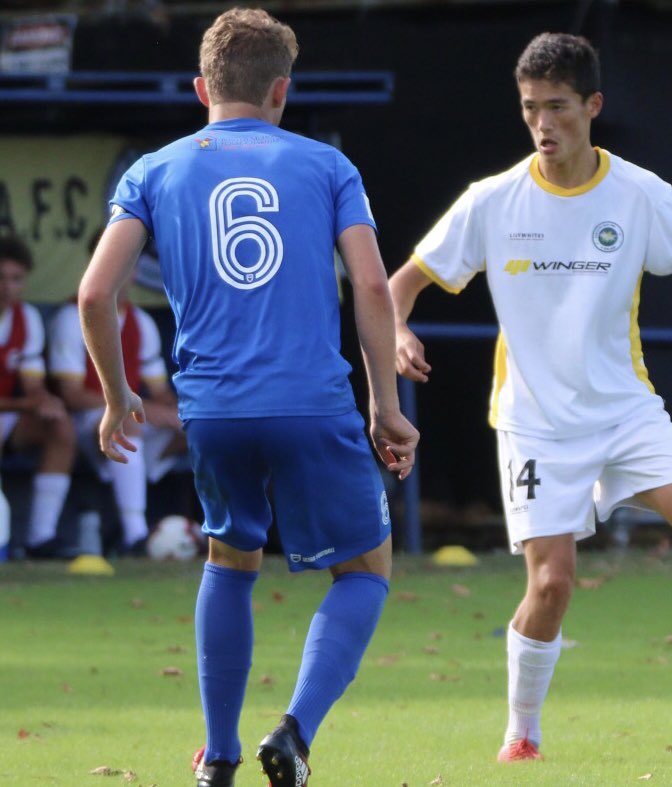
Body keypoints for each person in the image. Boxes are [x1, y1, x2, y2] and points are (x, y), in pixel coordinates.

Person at [388, 32, 672, 763]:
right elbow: (399, 285)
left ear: (592, 106)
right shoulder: (493, 201)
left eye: (558, 107)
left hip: (624, 409)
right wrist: (400, 330)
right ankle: (521, 734)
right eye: (531, 107)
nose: (543, 123)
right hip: (534, 422)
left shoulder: (640, 193)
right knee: (554, 583)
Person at [78, 9, 418, 787]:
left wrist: (117, 395)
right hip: (311, 402)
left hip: (214, 409)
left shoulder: (152, 171)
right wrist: (384, 403)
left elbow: (97, 293)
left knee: (230, 559)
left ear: (202, 88)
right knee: (365, 567)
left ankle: (219, 755)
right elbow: (369, 282)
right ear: (281, 91)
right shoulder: (328, 167)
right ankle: (294, 730)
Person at [49, 279, 185, 554]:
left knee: (199, 425)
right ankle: (135, 535)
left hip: (132, 414)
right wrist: (141, 407)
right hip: (87, 419)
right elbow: (72, 395)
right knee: (126, 423)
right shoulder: (71, 316)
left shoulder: (141, 321)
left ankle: (131, 484)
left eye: (129, 263)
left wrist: (178, 411)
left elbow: (160, 392)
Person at [0, 236, 76, 559]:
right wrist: (26, 403)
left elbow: (32, 384)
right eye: (0, 278)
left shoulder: (27, 318)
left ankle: (41, 537)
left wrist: (44, 400)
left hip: (8, 416)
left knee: (59, 425)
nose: (7, 287)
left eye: (15, 279)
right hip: (9, 409)